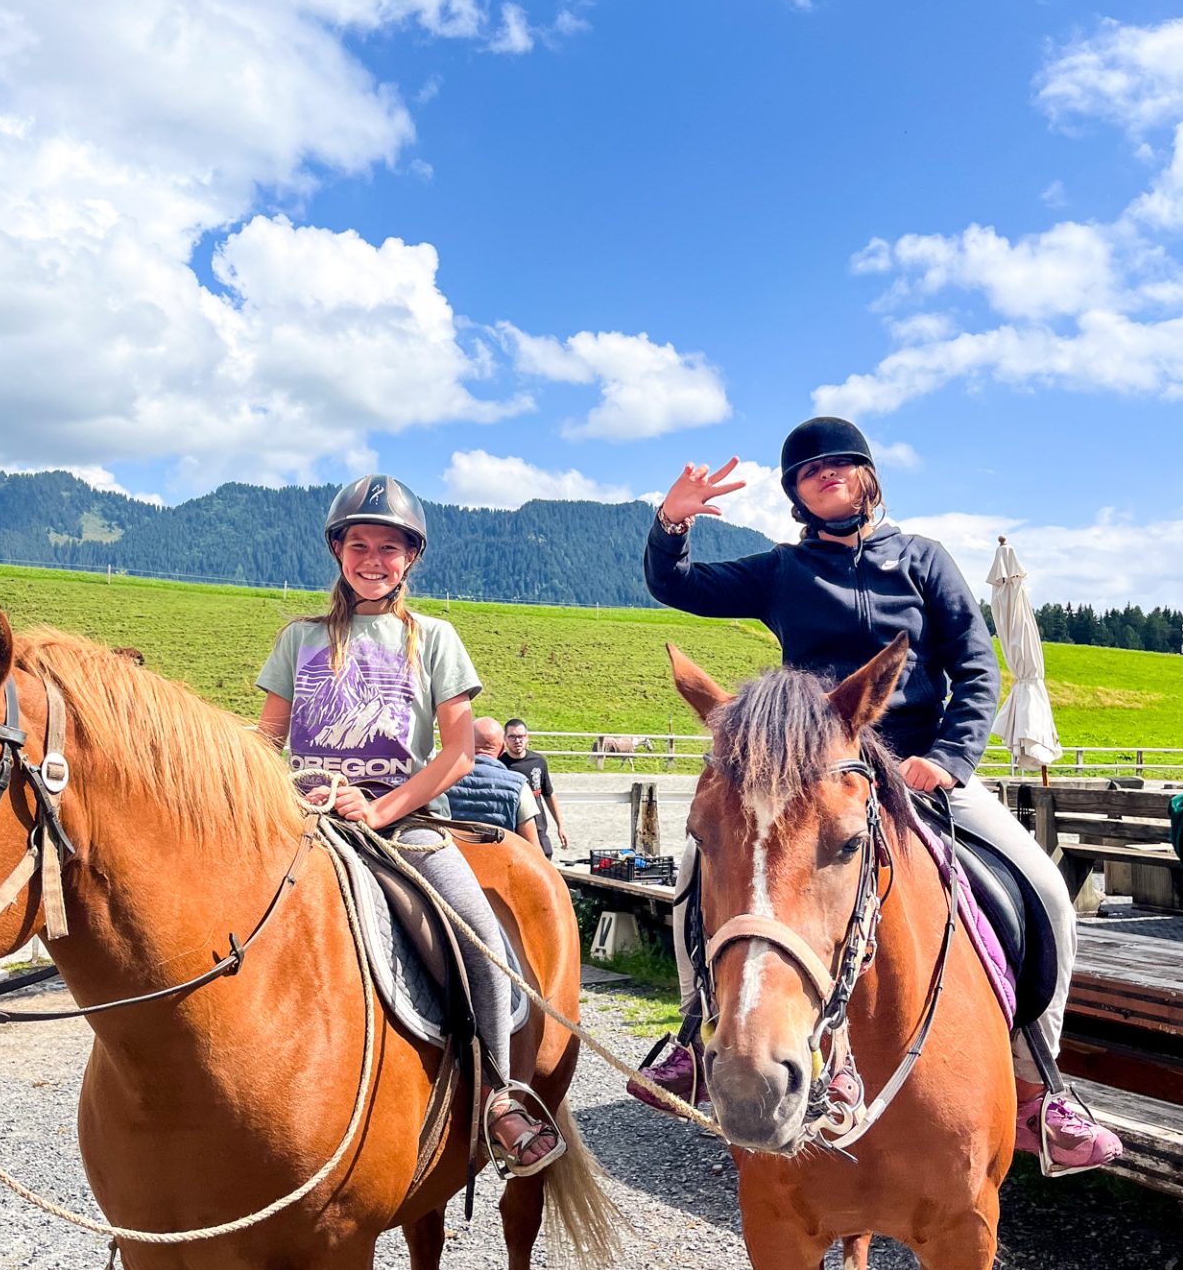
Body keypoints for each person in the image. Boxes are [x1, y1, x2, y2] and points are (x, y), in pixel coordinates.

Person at [636, 417, 1121, 1176]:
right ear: (795, 491)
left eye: (840, 463)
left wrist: (952, 759)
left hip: (922, 770)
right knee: (699, 876)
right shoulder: (781, 570)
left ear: (866, 477)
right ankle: (696, 1036)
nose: (826, 473)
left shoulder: (924, 560)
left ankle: (1040, 1089)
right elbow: (676, 585)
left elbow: (976, 667)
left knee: (1047, 891)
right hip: (816, 774)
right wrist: (672, 522)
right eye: (809, 469)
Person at [256, 474, 562, 1177]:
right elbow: (265, 741)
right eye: (358, 544)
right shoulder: (298, 640)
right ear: (337, 552)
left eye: (388, 548)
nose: (372, 558)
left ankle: (498, 1094)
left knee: (482, 936)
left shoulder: (435, 639)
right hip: (297, 814)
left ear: (410, 559)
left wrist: (380, 809)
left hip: (399, 819)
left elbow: (458, 752)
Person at [446, 716, 542, 845]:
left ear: (466, 744)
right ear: (502, 749)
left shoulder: (442, 781)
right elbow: (533, 848)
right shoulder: (519, 786)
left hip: (453, 859)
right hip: (500, 861)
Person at [500, 718, 569, 858]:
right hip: (511, 830)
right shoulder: (500, 765)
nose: (517, 740)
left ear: (527, 737)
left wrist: (560, 826)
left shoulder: (538, 761)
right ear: (505, 739)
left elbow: (549, 794)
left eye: (520, 736)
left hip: (538, 826)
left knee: (545, 858)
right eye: (512, 736)